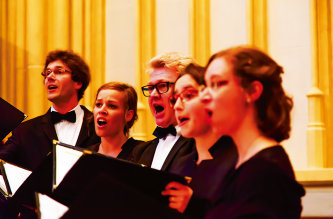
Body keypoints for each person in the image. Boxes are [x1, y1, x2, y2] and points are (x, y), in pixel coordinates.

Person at [200, 46, 304, 218]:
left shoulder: (266, 172)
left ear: (253, 91)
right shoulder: (239, 165)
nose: (204, 96)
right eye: (206, 85)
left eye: (218, 84)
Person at [0, 50, 100, 171]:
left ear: (78, 82)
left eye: (59, 72)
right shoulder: (25, 131)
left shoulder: (99, 126)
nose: (50, 77)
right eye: (47, 73)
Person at [161, 63, 237, 217]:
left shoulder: (238, 161)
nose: (177, 106)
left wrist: (194, 207)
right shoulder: (180, 159)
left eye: (188, 96)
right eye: (175, 99)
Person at [130, 52, 197, 177]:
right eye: (150, 88)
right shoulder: (140, 152)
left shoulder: (201, 144)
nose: (153, 94)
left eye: (162, 86)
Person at [88, 82, 143, 159]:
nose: (101, 110)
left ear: (128, 115)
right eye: (98, 104)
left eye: (112, 106)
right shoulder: (86, 154)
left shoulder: (142, 153)